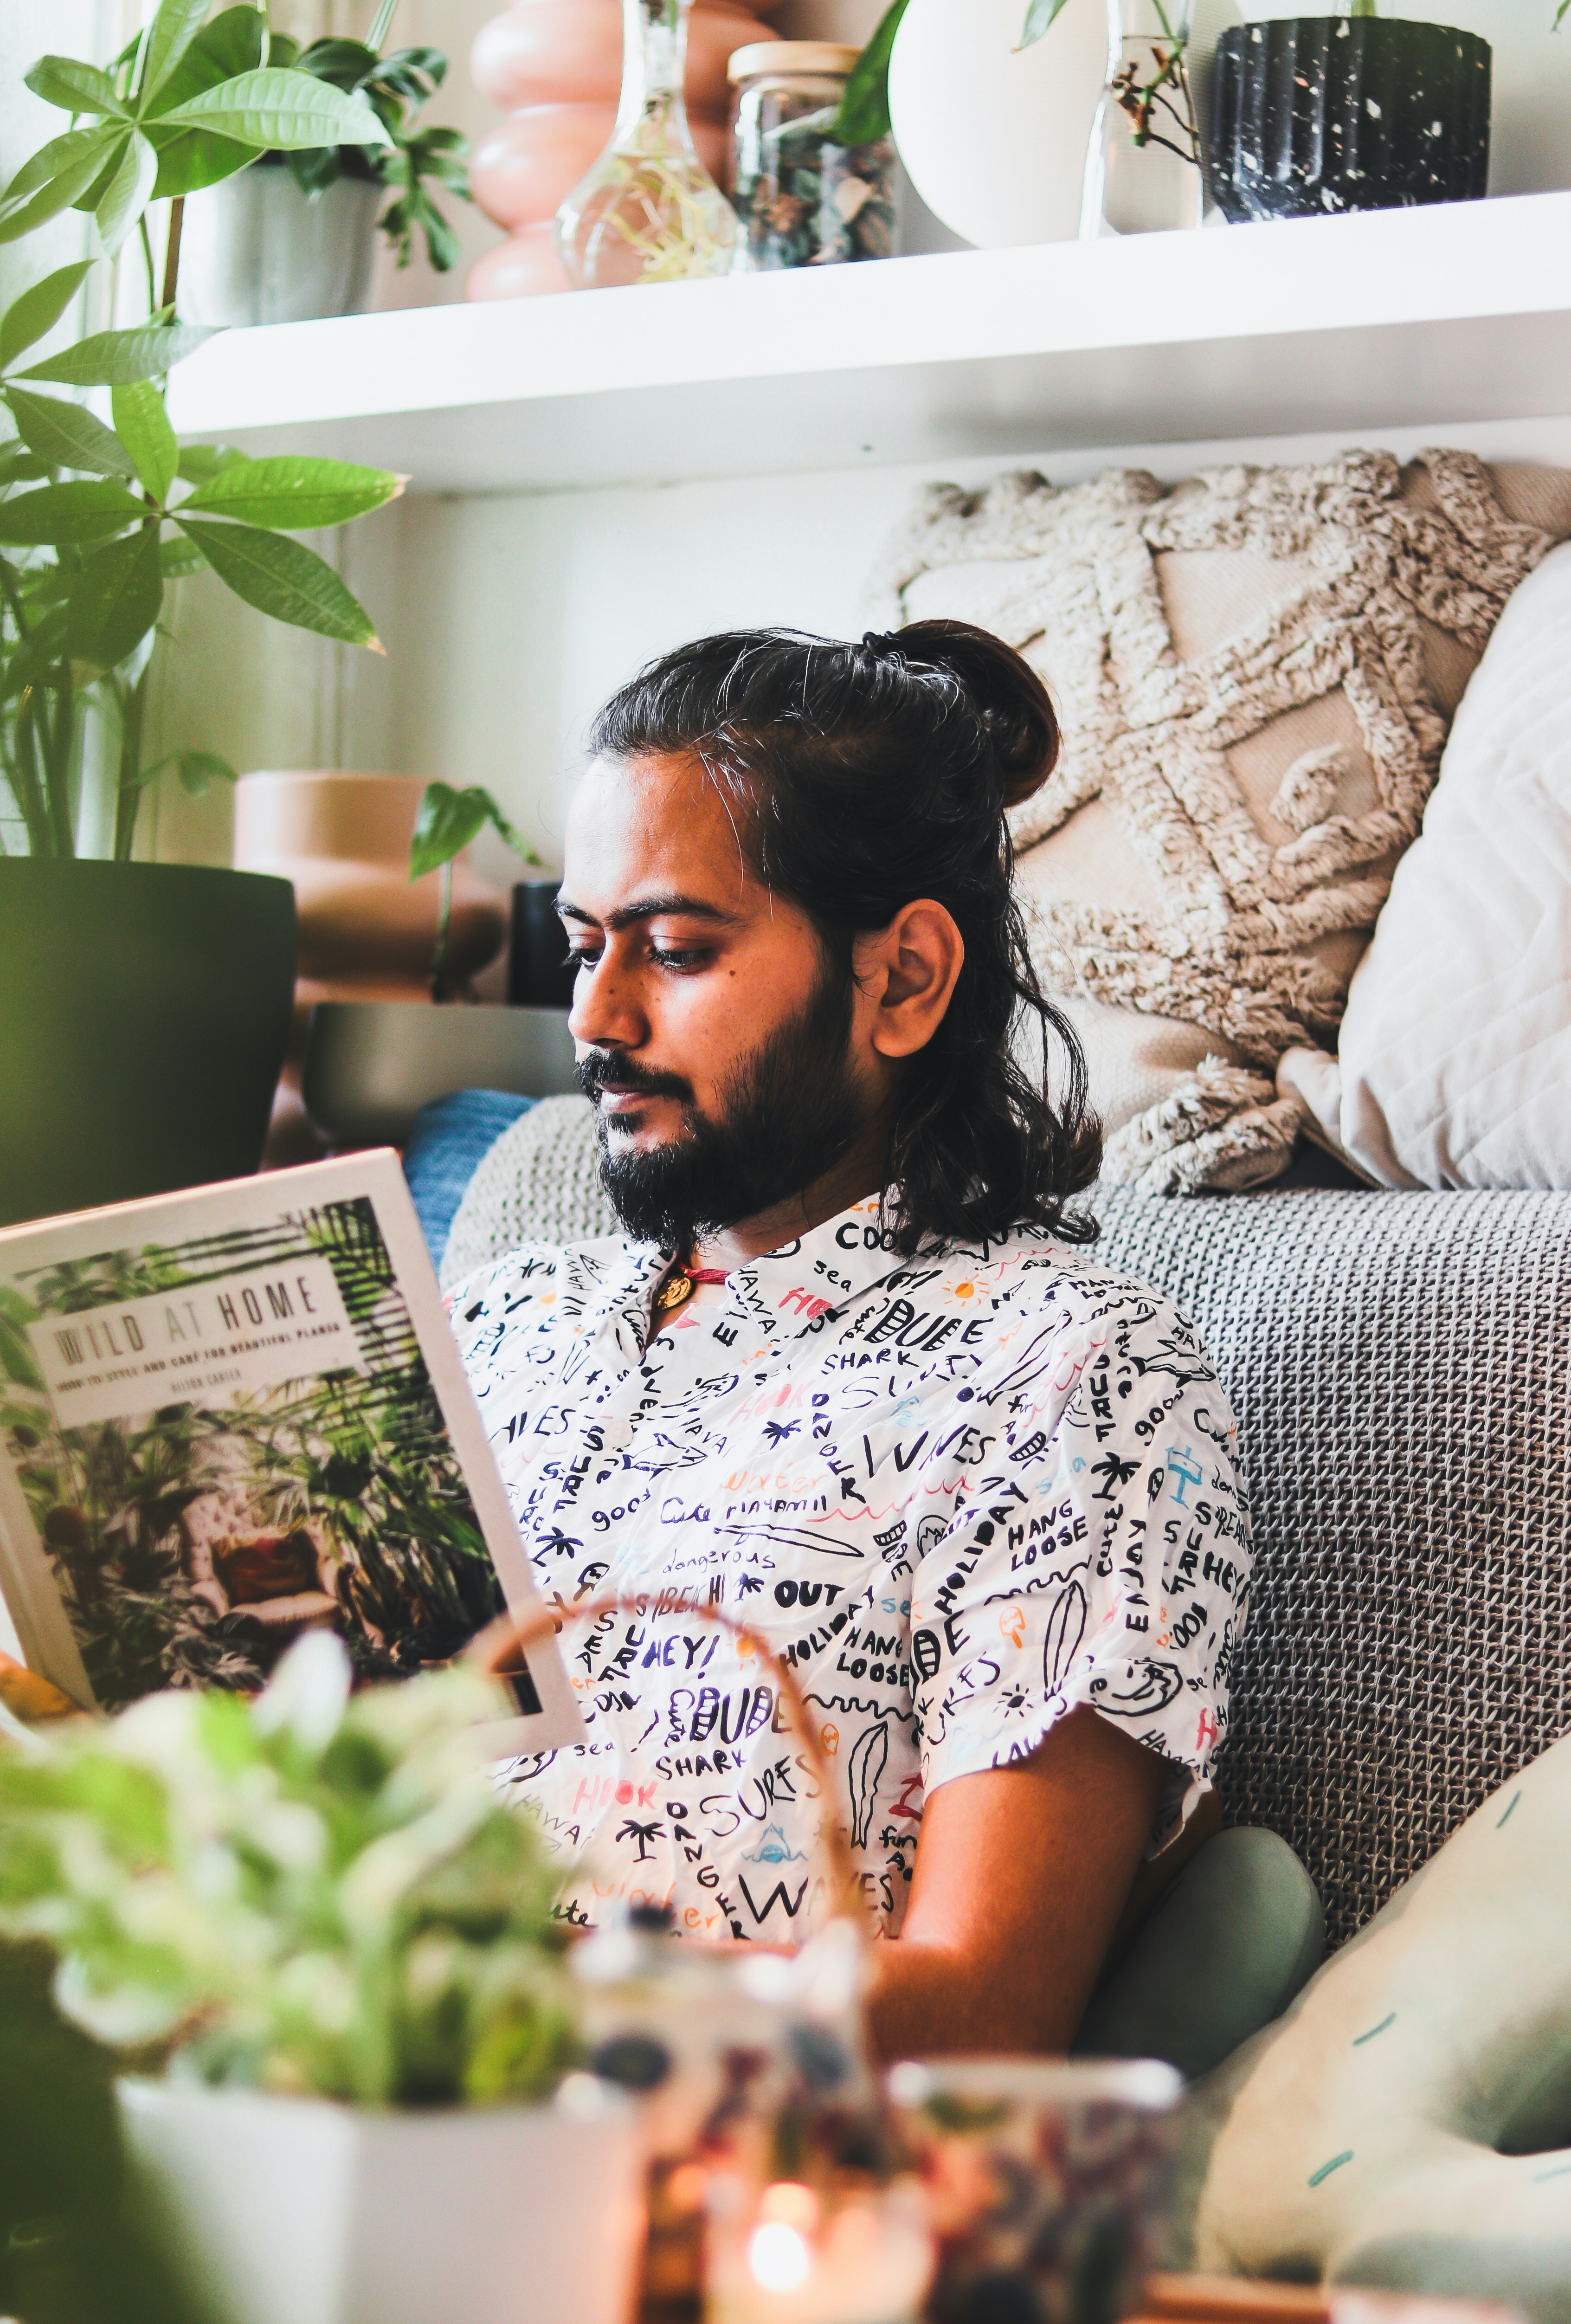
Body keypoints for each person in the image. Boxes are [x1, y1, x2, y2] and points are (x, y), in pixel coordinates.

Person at [450, 621, 1253, 2066]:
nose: (595, 1015)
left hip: (691, 2192)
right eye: (582, 946)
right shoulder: (505, 1316)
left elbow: (984, 2012)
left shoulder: (1071, 1379)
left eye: (677, 951)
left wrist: (469, 2003)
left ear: (903, 981)